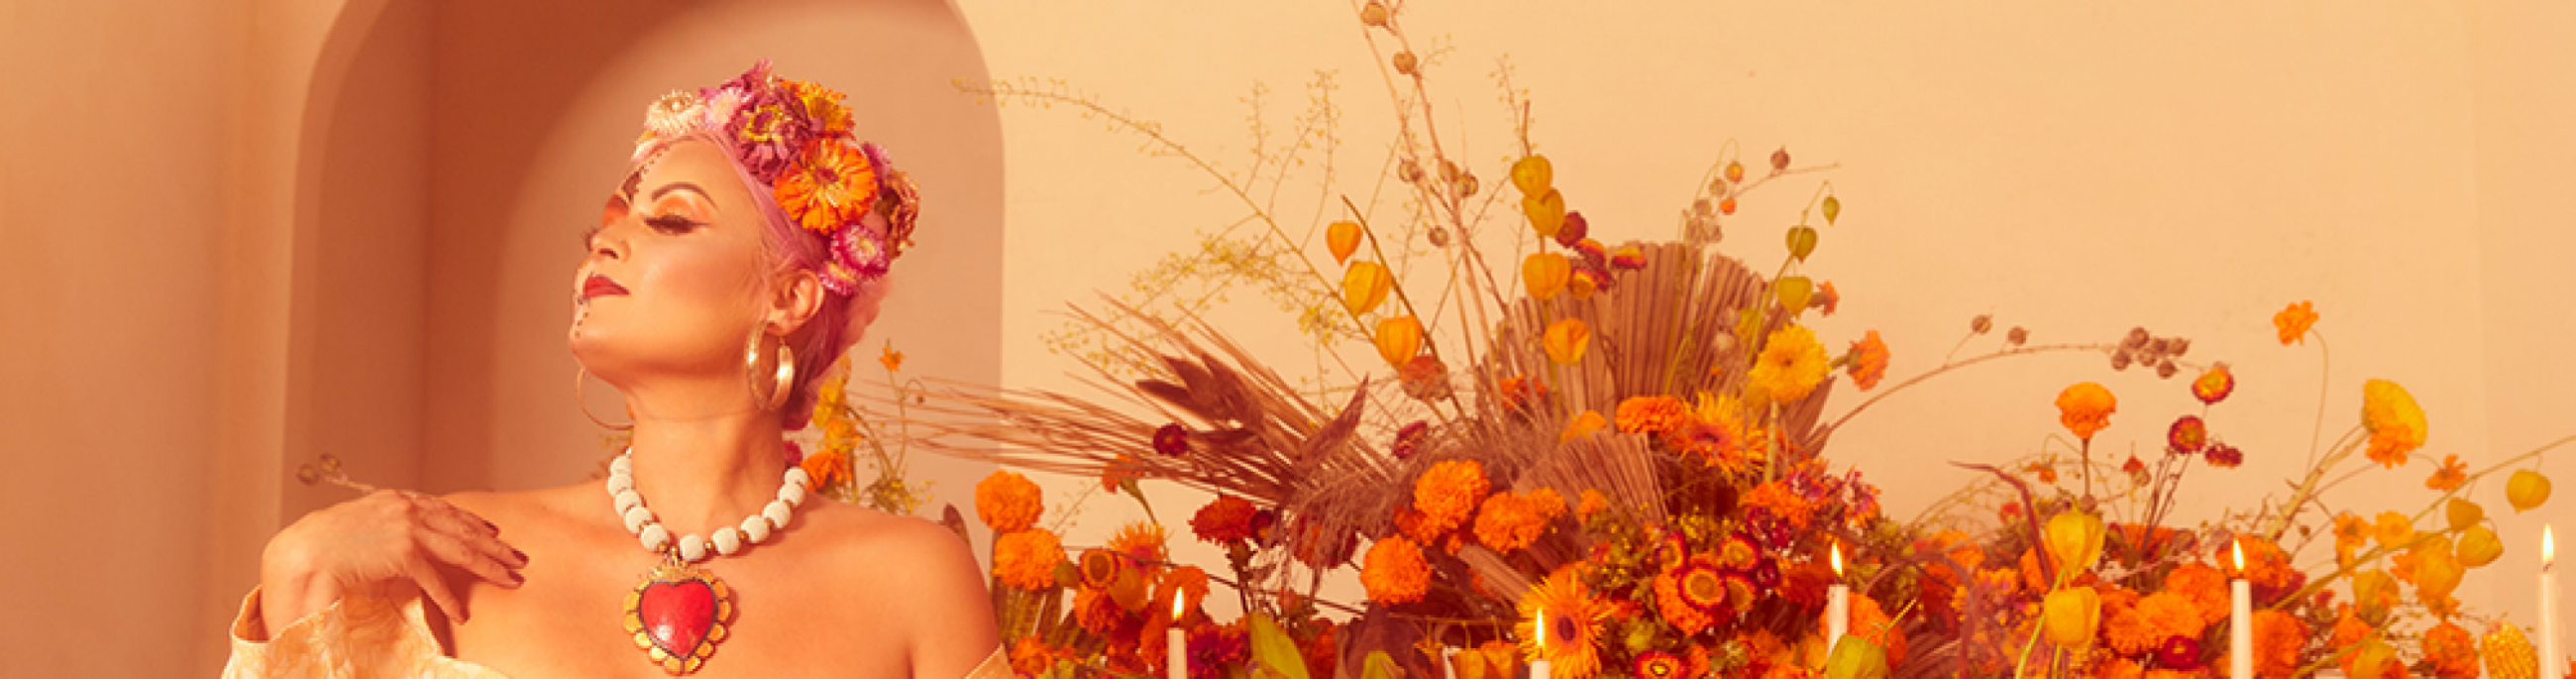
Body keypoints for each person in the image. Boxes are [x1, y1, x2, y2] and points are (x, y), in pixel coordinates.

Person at [224, 61, 1005, 678]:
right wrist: (298, 574)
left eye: (670, 219)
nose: (605, 244)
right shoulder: (453, 549)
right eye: (605, 225)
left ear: (789, 295)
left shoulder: (912, 578)